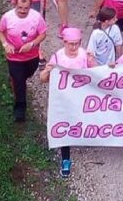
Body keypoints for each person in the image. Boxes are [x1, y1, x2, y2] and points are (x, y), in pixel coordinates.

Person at [39, 27, 97, 177]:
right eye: (70, 44)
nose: (73, 47)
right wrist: (47, 71)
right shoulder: (58, 57)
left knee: (81, 121)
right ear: (64, 42)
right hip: (64, 100)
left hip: (81, 98)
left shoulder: (84, 55)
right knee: (64, 126)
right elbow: (43, 79)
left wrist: (93, 62)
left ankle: (85, 136)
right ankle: (66, 159)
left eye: (76, 43)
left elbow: (98, 75)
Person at [0, 0, 47, 123]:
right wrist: (5, 44)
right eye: (20, 8)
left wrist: (32, 44)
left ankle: (16, 80)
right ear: (15, 5)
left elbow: (43, 34)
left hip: (32, 56)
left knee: (26, 76)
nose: (23, 11)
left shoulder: (36, 17)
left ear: (30, 6)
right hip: (14, 57)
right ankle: (20, 109)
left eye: (26, 8)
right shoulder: (7, 17)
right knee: (20, 82)